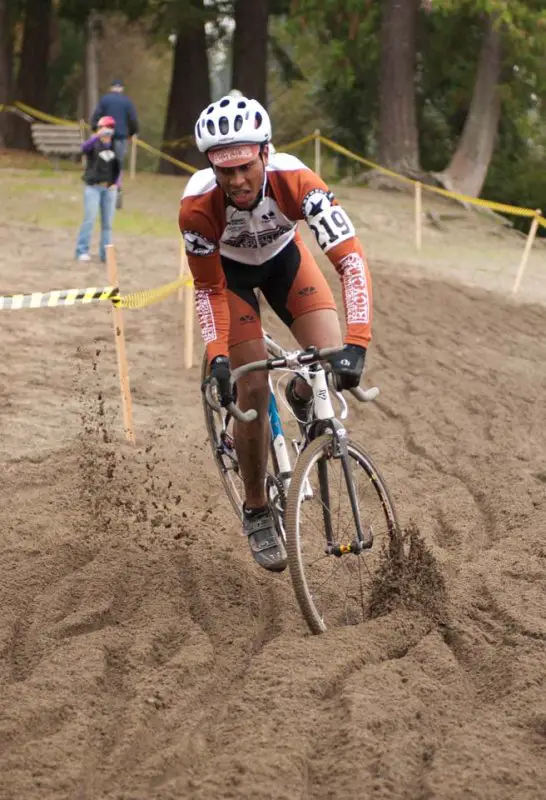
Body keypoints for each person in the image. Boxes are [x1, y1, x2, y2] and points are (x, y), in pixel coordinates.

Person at [179, 95, 372, 573]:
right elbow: (206, 290)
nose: (237, 180)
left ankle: (306, 393)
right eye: (225, 171)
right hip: (231, 281)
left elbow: (351, 261)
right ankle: (256, 507)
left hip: (287, 262)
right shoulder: (197, 208)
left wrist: (359, 344)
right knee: (252, 389)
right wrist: (217, 356)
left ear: (265, 152)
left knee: (327, 357)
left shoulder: (299, 183)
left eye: (245, 165)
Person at [75, 116, 120, 263]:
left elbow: (117, 167)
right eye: (104, 127)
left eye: (110, 127)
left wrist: (116, 184)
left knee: (107, 224)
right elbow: (83, 149)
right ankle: (82, 250)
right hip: (93, 187)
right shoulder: (93, 144)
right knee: (89, 219)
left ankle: (104, 253)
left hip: (109, 189)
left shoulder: (115, 146)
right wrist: (96, 137)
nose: (107, 130)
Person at [91, 78, 139, 208]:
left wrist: (95, 129)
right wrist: (132, 133)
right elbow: (133, 120)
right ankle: (116, 194)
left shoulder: (105, 100)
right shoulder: (127, 102)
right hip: (121, 138)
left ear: (111, 88)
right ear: (122, 88)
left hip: (106, 137)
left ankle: (101, 192)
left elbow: (96, 117)